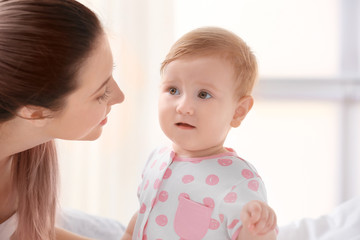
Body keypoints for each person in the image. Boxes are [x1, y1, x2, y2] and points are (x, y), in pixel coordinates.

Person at [122, 27, 277, 240]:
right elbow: (141, 218)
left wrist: (258, 231)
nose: (183, 107)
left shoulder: (238, 180)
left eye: (203, 94)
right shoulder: (156, 159)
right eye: (173, 90)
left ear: (238, 111)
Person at [0, 0, 125, 239]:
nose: (119, 96)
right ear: (35, 112)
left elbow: (28, 232)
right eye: (100, 94)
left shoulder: (27, 146)